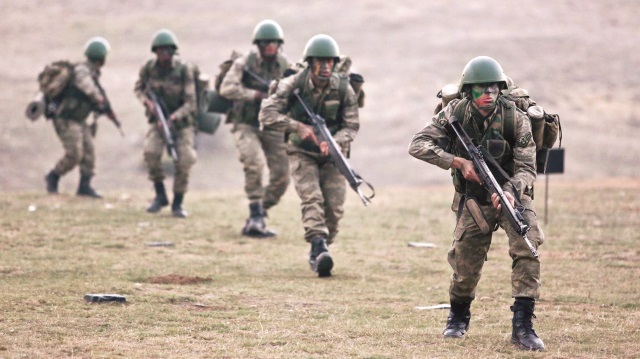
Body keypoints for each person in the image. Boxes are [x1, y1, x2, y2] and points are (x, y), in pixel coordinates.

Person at [408, 56, 545, 351]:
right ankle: (458, 318)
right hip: (473, 198)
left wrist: (510, 190)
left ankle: (523, 326)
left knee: (528, 247)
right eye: (482, 89)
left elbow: (527, 168)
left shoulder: (515, 118)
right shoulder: (453, 112)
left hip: (512, 196)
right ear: (468, 91)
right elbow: (417, 144)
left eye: (494, 89)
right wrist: (457, 162)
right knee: (464, 262)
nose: (489, 94)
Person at [259, 34, 360, 277]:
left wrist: (335, 142)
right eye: (319, 62)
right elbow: (266, 113)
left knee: (334, 209)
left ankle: (323, 245)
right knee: (312, 198)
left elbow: (352, 126)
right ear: (310, 62)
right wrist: (298, 127)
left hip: (333, 155)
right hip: (301, 152)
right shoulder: (293, 84)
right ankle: (317, 245)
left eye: (329, 62)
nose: (325, 67)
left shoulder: (344, 88)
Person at [219, 20, 290, 237]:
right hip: (246, 123)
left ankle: (259, 213)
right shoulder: (245, 62)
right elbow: (226, 88)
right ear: (258, 44)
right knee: (254, 163)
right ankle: (256, 211)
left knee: (282, 175)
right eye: (266, 42)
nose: (271, 46)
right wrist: (255, 95)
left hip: (272, 124)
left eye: (274, 42)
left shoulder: (284, 65)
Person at [134, 29, 197, 218]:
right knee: (151, 153)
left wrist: (173, 118)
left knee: (184, 159)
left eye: (167, 52)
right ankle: (160, 194)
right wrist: (148, 103)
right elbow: (139, 88)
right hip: (158, 122)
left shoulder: (184, 70)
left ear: (173, 52)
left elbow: (191, 102)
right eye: (160, 52)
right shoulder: (149, 68)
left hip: (182, 123)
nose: (163, 56)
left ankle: (177, 202)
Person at [44, 37, 112, 198]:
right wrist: (98, 99)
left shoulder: (93, 72)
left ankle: (84, 187)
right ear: (101, 57)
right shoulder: (82, 70)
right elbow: (86, 86)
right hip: (66, 118)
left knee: (89, 152)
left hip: (79, 119)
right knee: (74, 154)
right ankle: (53, 176)